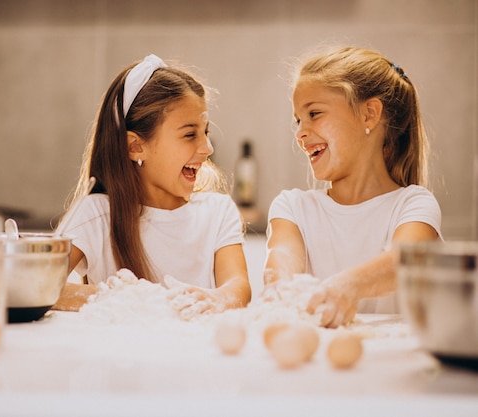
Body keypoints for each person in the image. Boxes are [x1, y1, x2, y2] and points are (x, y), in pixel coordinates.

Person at [52, 54, 251, 318]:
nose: (207, 148)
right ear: (135, 146)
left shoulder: (217, 212)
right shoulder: (95, 215)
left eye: (206, 132)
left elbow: (238, 289)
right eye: (190, 134)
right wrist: (117, 298)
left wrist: (217, 298)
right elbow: (40, 286)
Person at [263, 46, 442, 328]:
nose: (299, 132)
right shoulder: (293, 208)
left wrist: (349, 286)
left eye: (314, 113)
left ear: (369, 114)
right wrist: (280, 287)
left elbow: (406, 260)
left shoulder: (413, 204)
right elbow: (283, 257)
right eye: (298, 120)